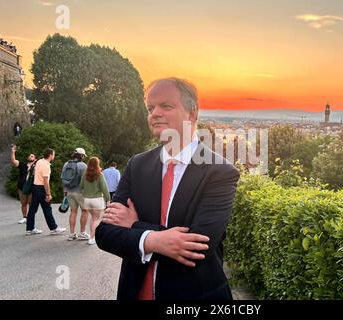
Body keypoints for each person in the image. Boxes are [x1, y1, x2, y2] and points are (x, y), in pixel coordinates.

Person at [96, 77, 240, 300]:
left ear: (191, 114)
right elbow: (105, 234)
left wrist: (133, 225)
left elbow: (198, 247)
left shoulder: (220, 172)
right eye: (150, 108)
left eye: (166, 106)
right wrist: (156, 240)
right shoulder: (137, 165)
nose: (154, 113)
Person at [26, 148, 66, 235]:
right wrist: (48, 194)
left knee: (33, 209)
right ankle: (54, 228)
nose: (54, 156)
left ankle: (30, 229)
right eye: (54, 154)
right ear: (51, 155)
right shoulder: (46, 165)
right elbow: (45, 181)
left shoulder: (39, 161)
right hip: (41, 188)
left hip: (35, 187)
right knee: (47, 209)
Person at [79, 157, 110, 245]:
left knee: (93, 218)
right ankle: (92, 238)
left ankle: (91, 236)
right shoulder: (99, 174)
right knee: (98, 219)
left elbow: (80, 186)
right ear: (97, 164)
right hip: (97, 199)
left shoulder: (85, 174)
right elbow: (104, 188)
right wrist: (108, 199)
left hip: (87, 199)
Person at [61, 148, 90, 241]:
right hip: (80, 192)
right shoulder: (83, 166)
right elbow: (86, 181)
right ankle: (82, 233)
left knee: (73, 212)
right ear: (81, 156)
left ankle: (72, 234)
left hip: (69, 191)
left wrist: (65, 191)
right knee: (85, 211)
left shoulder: (66, 164)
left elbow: (63, 178)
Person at [10, 145, 36, 224]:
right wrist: (13, 152)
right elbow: (14, 161)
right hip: (22, 187)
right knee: (23, 203)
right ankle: (24, 217)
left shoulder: (37, 166)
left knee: (31, 204)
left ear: (35, 159)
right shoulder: (22, 165)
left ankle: (31, 218)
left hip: (32, 188)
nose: (30, 157)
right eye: (29, 156)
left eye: (32, 156)